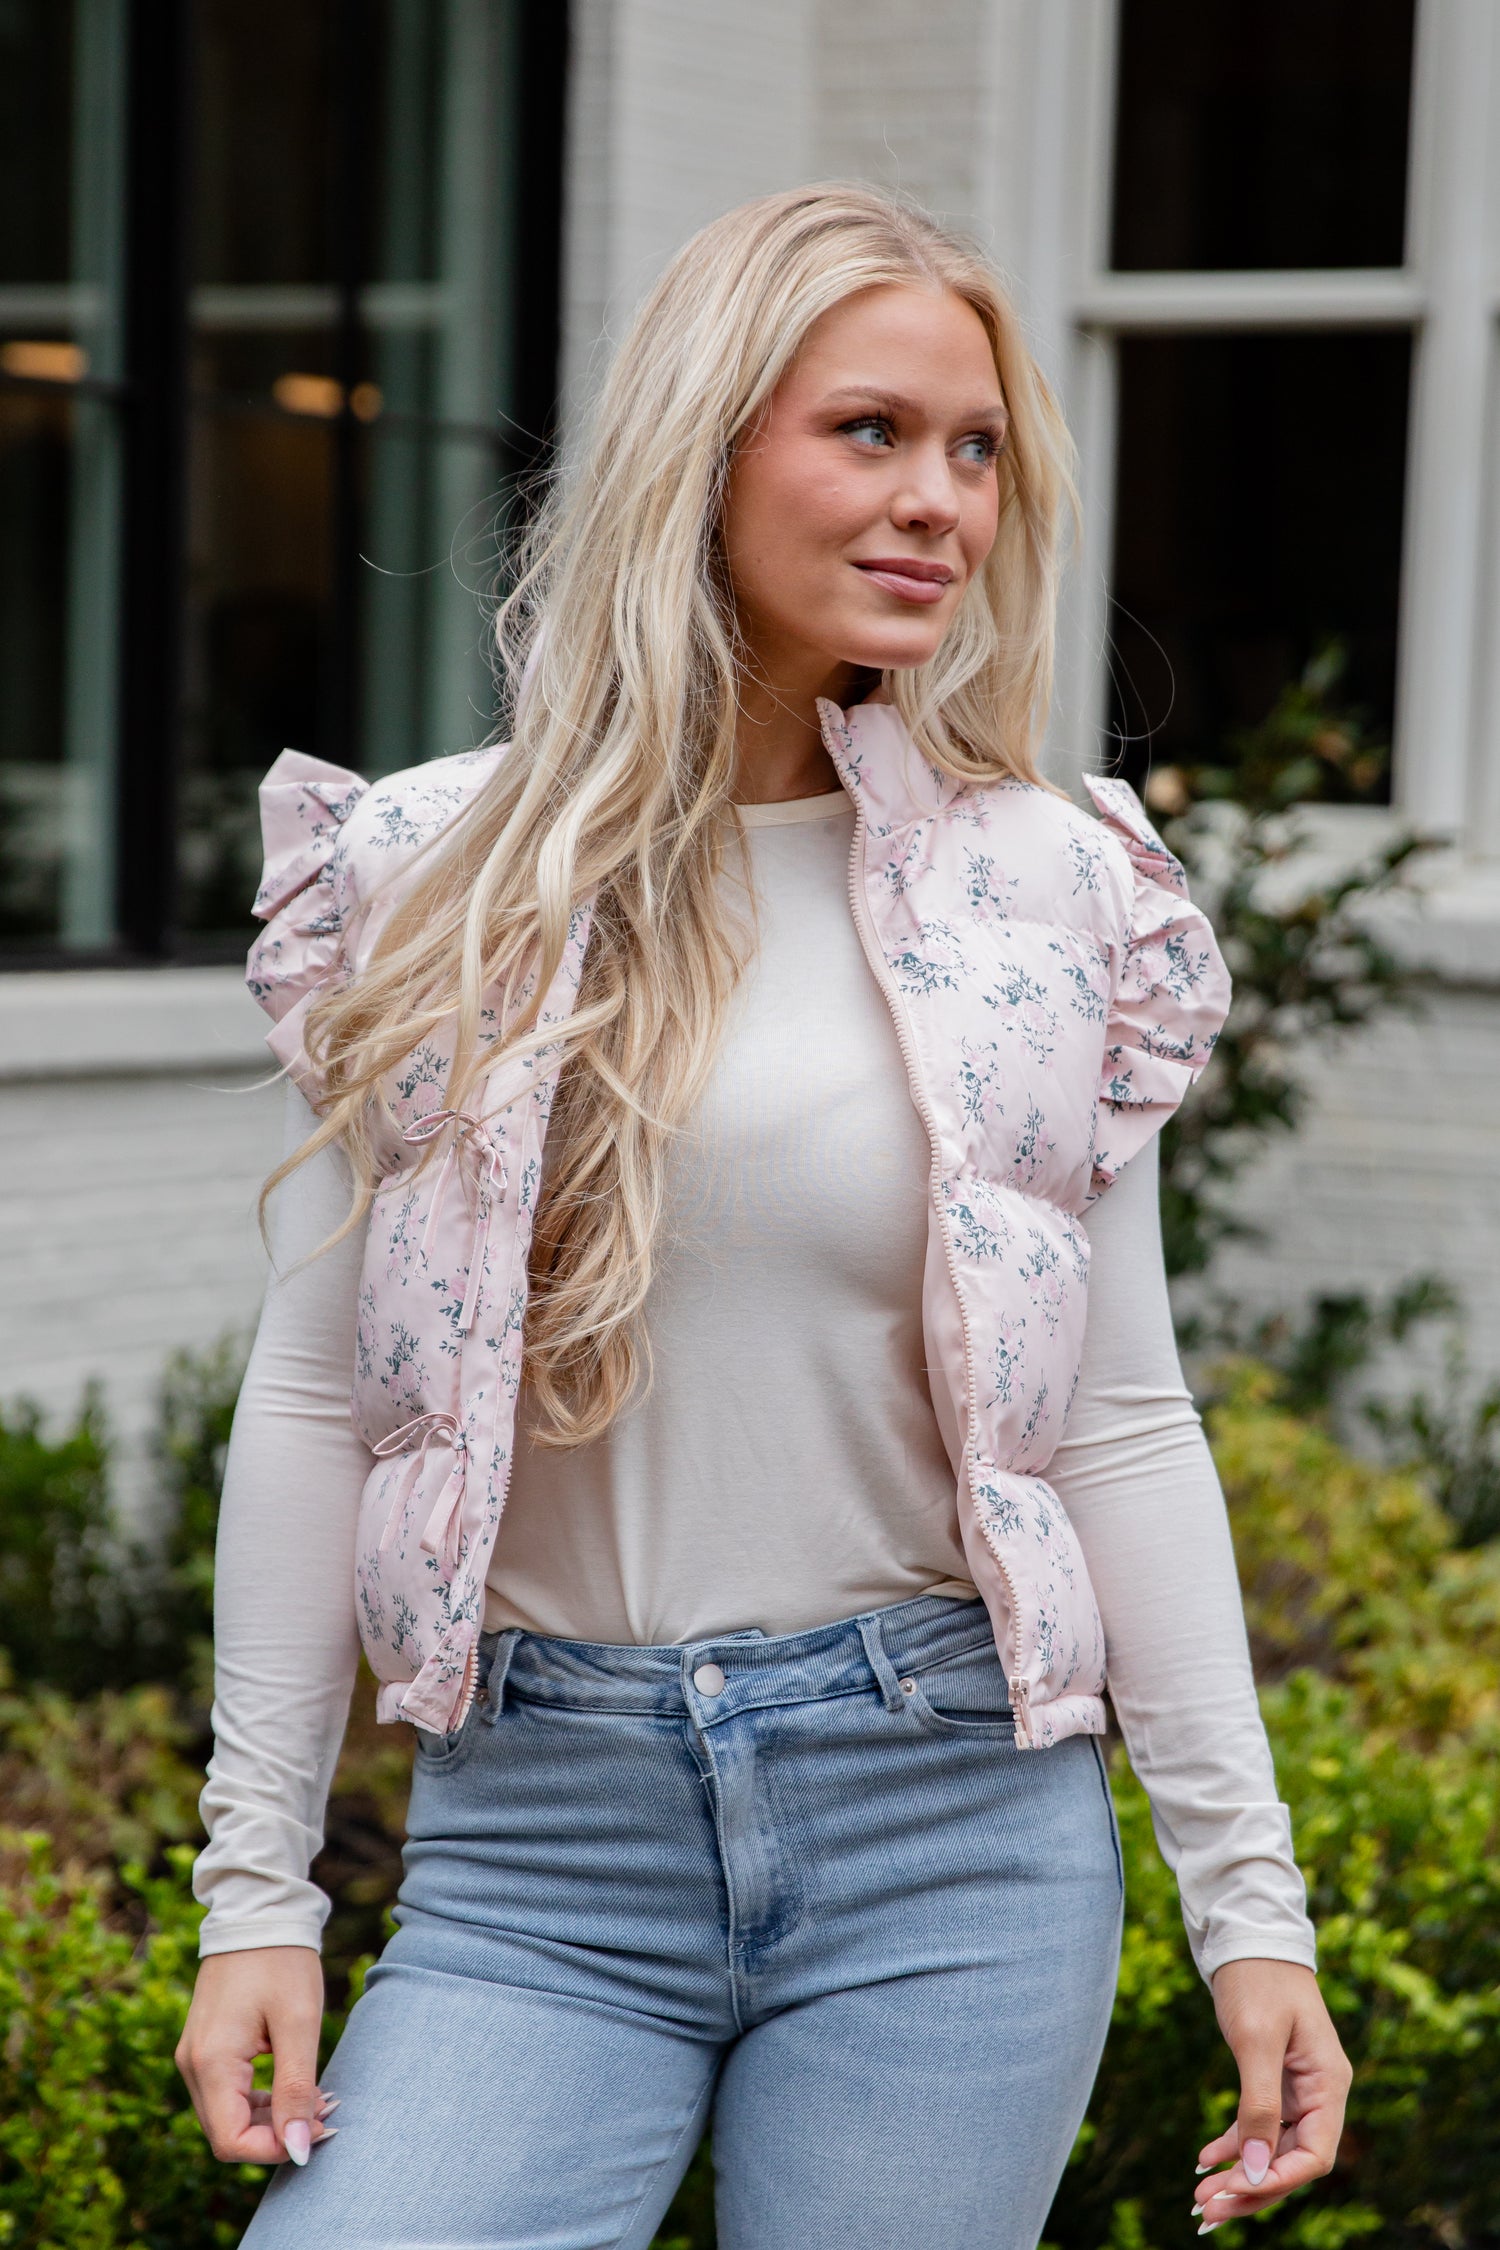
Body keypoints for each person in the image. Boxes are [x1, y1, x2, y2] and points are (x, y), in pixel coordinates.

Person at [175, 184, 1351, 2250]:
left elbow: (1117, 1421)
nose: (940, 501)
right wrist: (253, 1893)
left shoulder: (1047, 892)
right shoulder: (430, 869)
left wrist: (1252, 1914)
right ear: (703, 451)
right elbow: (315, 1397)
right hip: (540, 1851)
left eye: (975, 448)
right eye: (870, 431)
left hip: (949, 1835)